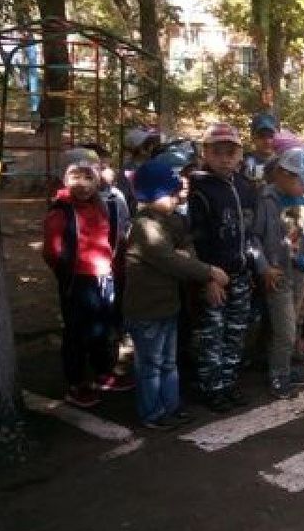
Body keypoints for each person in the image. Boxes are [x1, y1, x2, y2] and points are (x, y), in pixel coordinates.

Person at [123, 160, 229, 430]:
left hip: (168, 306)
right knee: (151, 364)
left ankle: (171, 406)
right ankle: (153, 412)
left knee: (168, 362)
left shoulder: (172, 220)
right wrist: (210, 272)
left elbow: (186, 246)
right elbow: (170, 259)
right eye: (170, 193)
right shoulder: (144, 226)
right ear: (149, 195)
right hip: (146, 309)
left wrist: (200, 270)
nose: (177, 197)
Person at [42, 148, 133, 407]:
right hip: (78, 282)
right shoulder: (61, 211)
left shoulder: (101, 205)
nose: (82, 184)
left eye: (88, 177)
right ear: (64, 178)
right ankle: (75, 383)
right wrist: (68, 274)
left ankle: (104, 371)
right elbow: (52, 251)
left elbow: (108, 238)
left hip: (103, 277)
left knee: (103, 328)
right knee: (77, 332)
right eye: (75, 176)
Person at [187, 122, 259, 413]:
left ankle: (228, 383)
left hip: (241, 274)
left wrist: (252, 268)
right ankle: (211, 388)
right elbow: (192, 239)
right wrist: (207, 278)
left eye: (231, 152)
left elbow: (250, 232)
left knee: (235, 331)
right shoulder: (199, 190)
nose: (225, 158)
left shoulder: (244, 186)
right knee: (212, 335)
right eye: (218, 152)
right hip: (214, 276)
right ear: (206, 153)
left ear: (240, 154)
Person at [251, 146, 304, 398]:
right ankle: (278, 375)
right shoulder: (267, 200)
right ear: (283, 174)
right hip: (278, 274)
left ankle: (281, 365)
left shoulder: (302, 199)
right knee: (285, 328)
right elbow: (253, 238)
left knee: (289, 322)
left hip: (299, 271)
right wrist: (264, 267)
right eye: (302, 182)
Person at [241, 112, 279, 181]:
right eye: (261, 136)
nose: (267, 141)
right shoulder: (242, 163)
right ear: (253, 138)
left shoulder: (285, 164)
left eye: (271, 136)